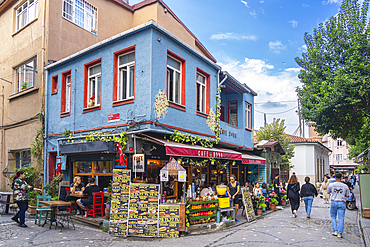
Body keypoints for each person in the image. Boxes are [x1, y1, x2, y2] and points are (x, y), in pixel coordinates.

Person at [327, 173, 350, 238]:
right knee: (341, 218)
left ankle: (335, 230)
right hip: (341, 202)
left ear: (335, 178)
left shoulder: (331, 185)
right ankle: (339, 233)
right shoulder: (345, 186)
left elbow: (328, 191)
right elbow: (348, 195)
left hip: (334, 201)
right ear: (341, 178)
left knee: (333, 216)